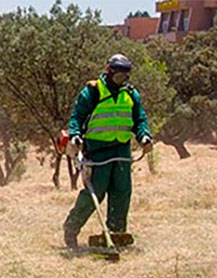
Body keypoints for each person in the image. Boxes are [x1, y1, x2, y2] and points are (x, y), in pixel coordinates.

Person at [62, 53, 153, 249]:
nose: (122, 79)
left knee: (122, 193)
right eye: (119, 75)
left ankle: (116, 234)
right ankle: (71, 228)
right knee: (95, 192)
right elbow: (77, 116)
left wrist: (144, 136)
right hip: (97, 152)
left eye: (125, 76)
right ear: (109, 71)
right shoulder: (93, 91)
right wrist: (75, 134)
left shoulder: (130, 94)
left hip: (121, 150)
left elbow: (140, 120)